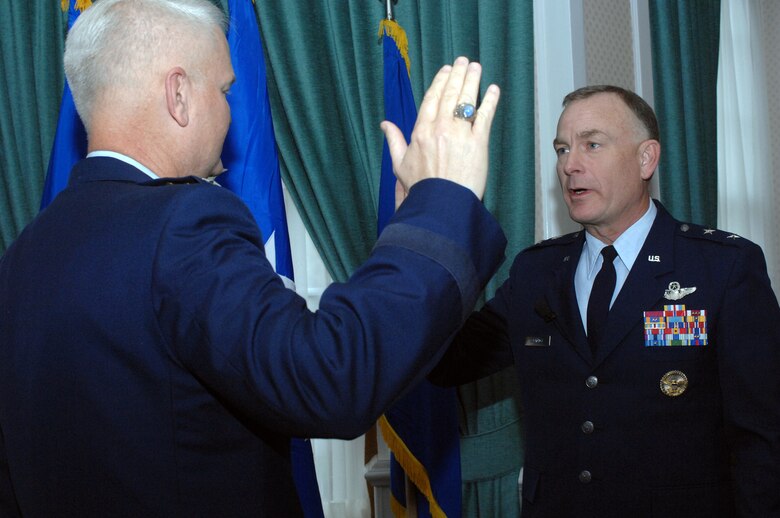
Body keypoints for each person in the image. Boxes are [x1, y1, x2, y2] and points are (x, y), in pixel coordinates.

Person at [0, 0, 505, 515]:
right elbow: (331, 376)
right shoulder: (183, 223)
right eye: (224, 90)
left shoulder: (23, 255)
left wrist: (405, 225)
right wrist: (442, 201)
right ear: (178, 95)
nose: (229, 110)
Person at [430, 85, 780, 517]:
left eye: (591, 145)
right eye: (562, 149)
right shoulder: (536, 272)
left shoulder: (721, 267)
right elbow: (448, 361)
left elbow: (762, 437)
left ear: (646, 158)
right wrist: (431, 228)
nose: (570, 165)